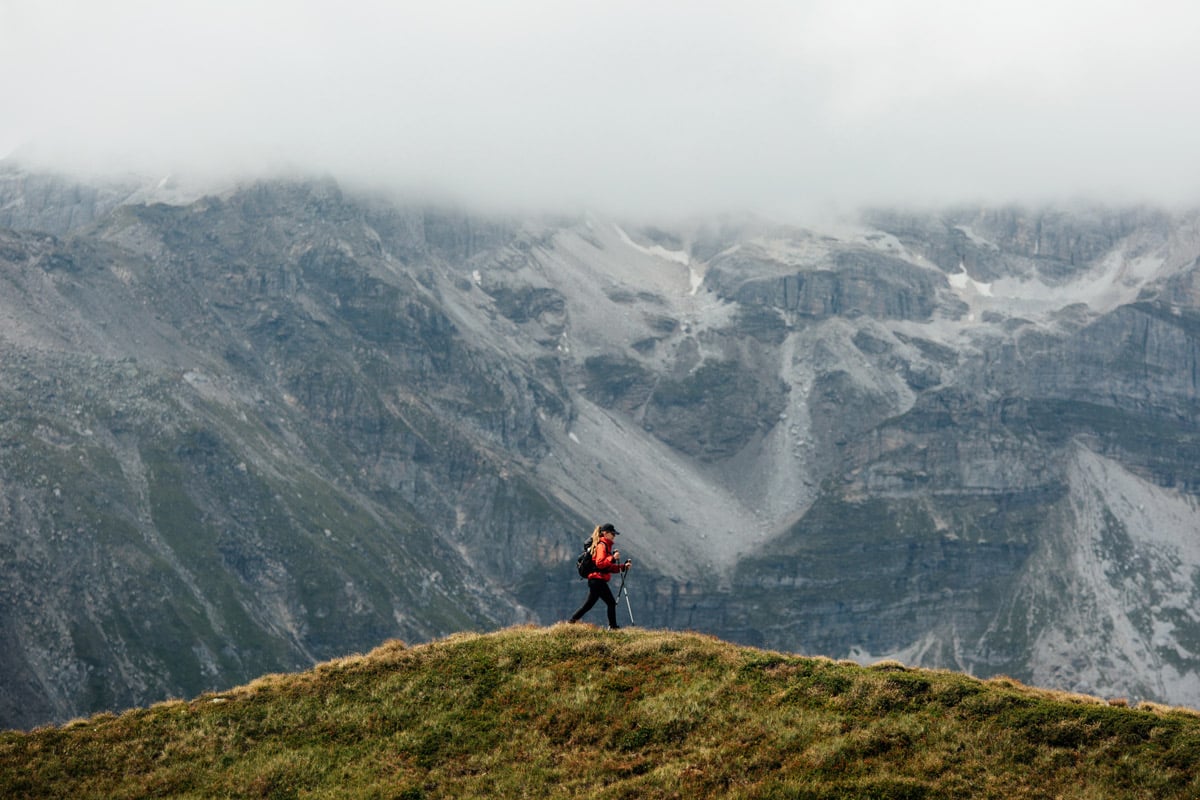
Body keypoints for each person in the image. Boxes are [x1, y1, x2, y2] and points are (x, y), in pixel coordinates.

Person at [568, 523, 631, 629]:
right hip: (597, 580)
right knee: (611, 602)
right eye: (612, 534)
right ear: (605, 533)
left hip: (595, 580)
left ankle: (571, 621)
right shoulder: (602, 545)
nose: (614, 536)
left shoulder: (604, 546)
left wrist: (623, 567)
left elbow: (607, 568)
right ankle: (613, 627)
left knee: (589, 605)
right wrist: (613, 558)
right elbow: (600, 563)